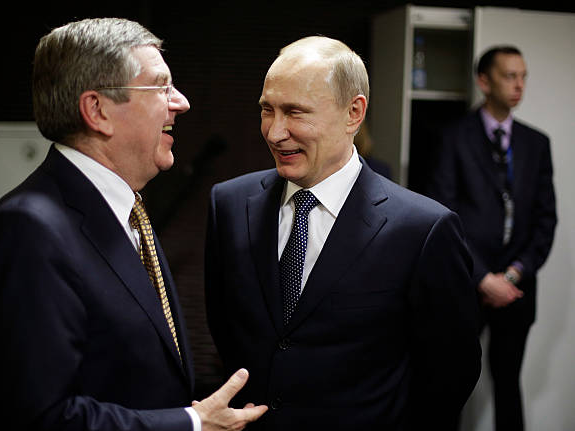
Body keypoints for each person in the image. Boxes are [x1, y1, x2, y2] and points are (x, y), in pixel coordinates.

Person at [0, 17, 266, 431]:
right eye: (161, 86)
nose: (180, 102)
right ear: (97, 110)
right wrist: (191, 423)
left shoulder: (128, 210)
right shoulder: (29, 228)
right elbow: (39, 418)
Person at [204, 35, 481, 430]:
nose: (275, 132)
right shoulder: (229, 205)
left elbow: (451, 372)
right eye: (268, 110)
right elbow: (226, 329)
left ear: (354, 113)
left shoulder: (422, 229)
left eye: (295, 113)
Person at [426, 46, 557, 431]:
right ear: (484, 81)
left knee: (509, 385)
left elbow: (545, 221)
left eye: (523, 76)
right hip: (467, 284)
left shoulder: (537, 143)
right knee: (447, 385)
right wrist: (482, 279)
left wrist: (514, 275)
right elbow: (442, 217)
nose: (519, 85)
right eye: (509, 76)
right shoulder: (452, 138)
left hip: (517, 288)